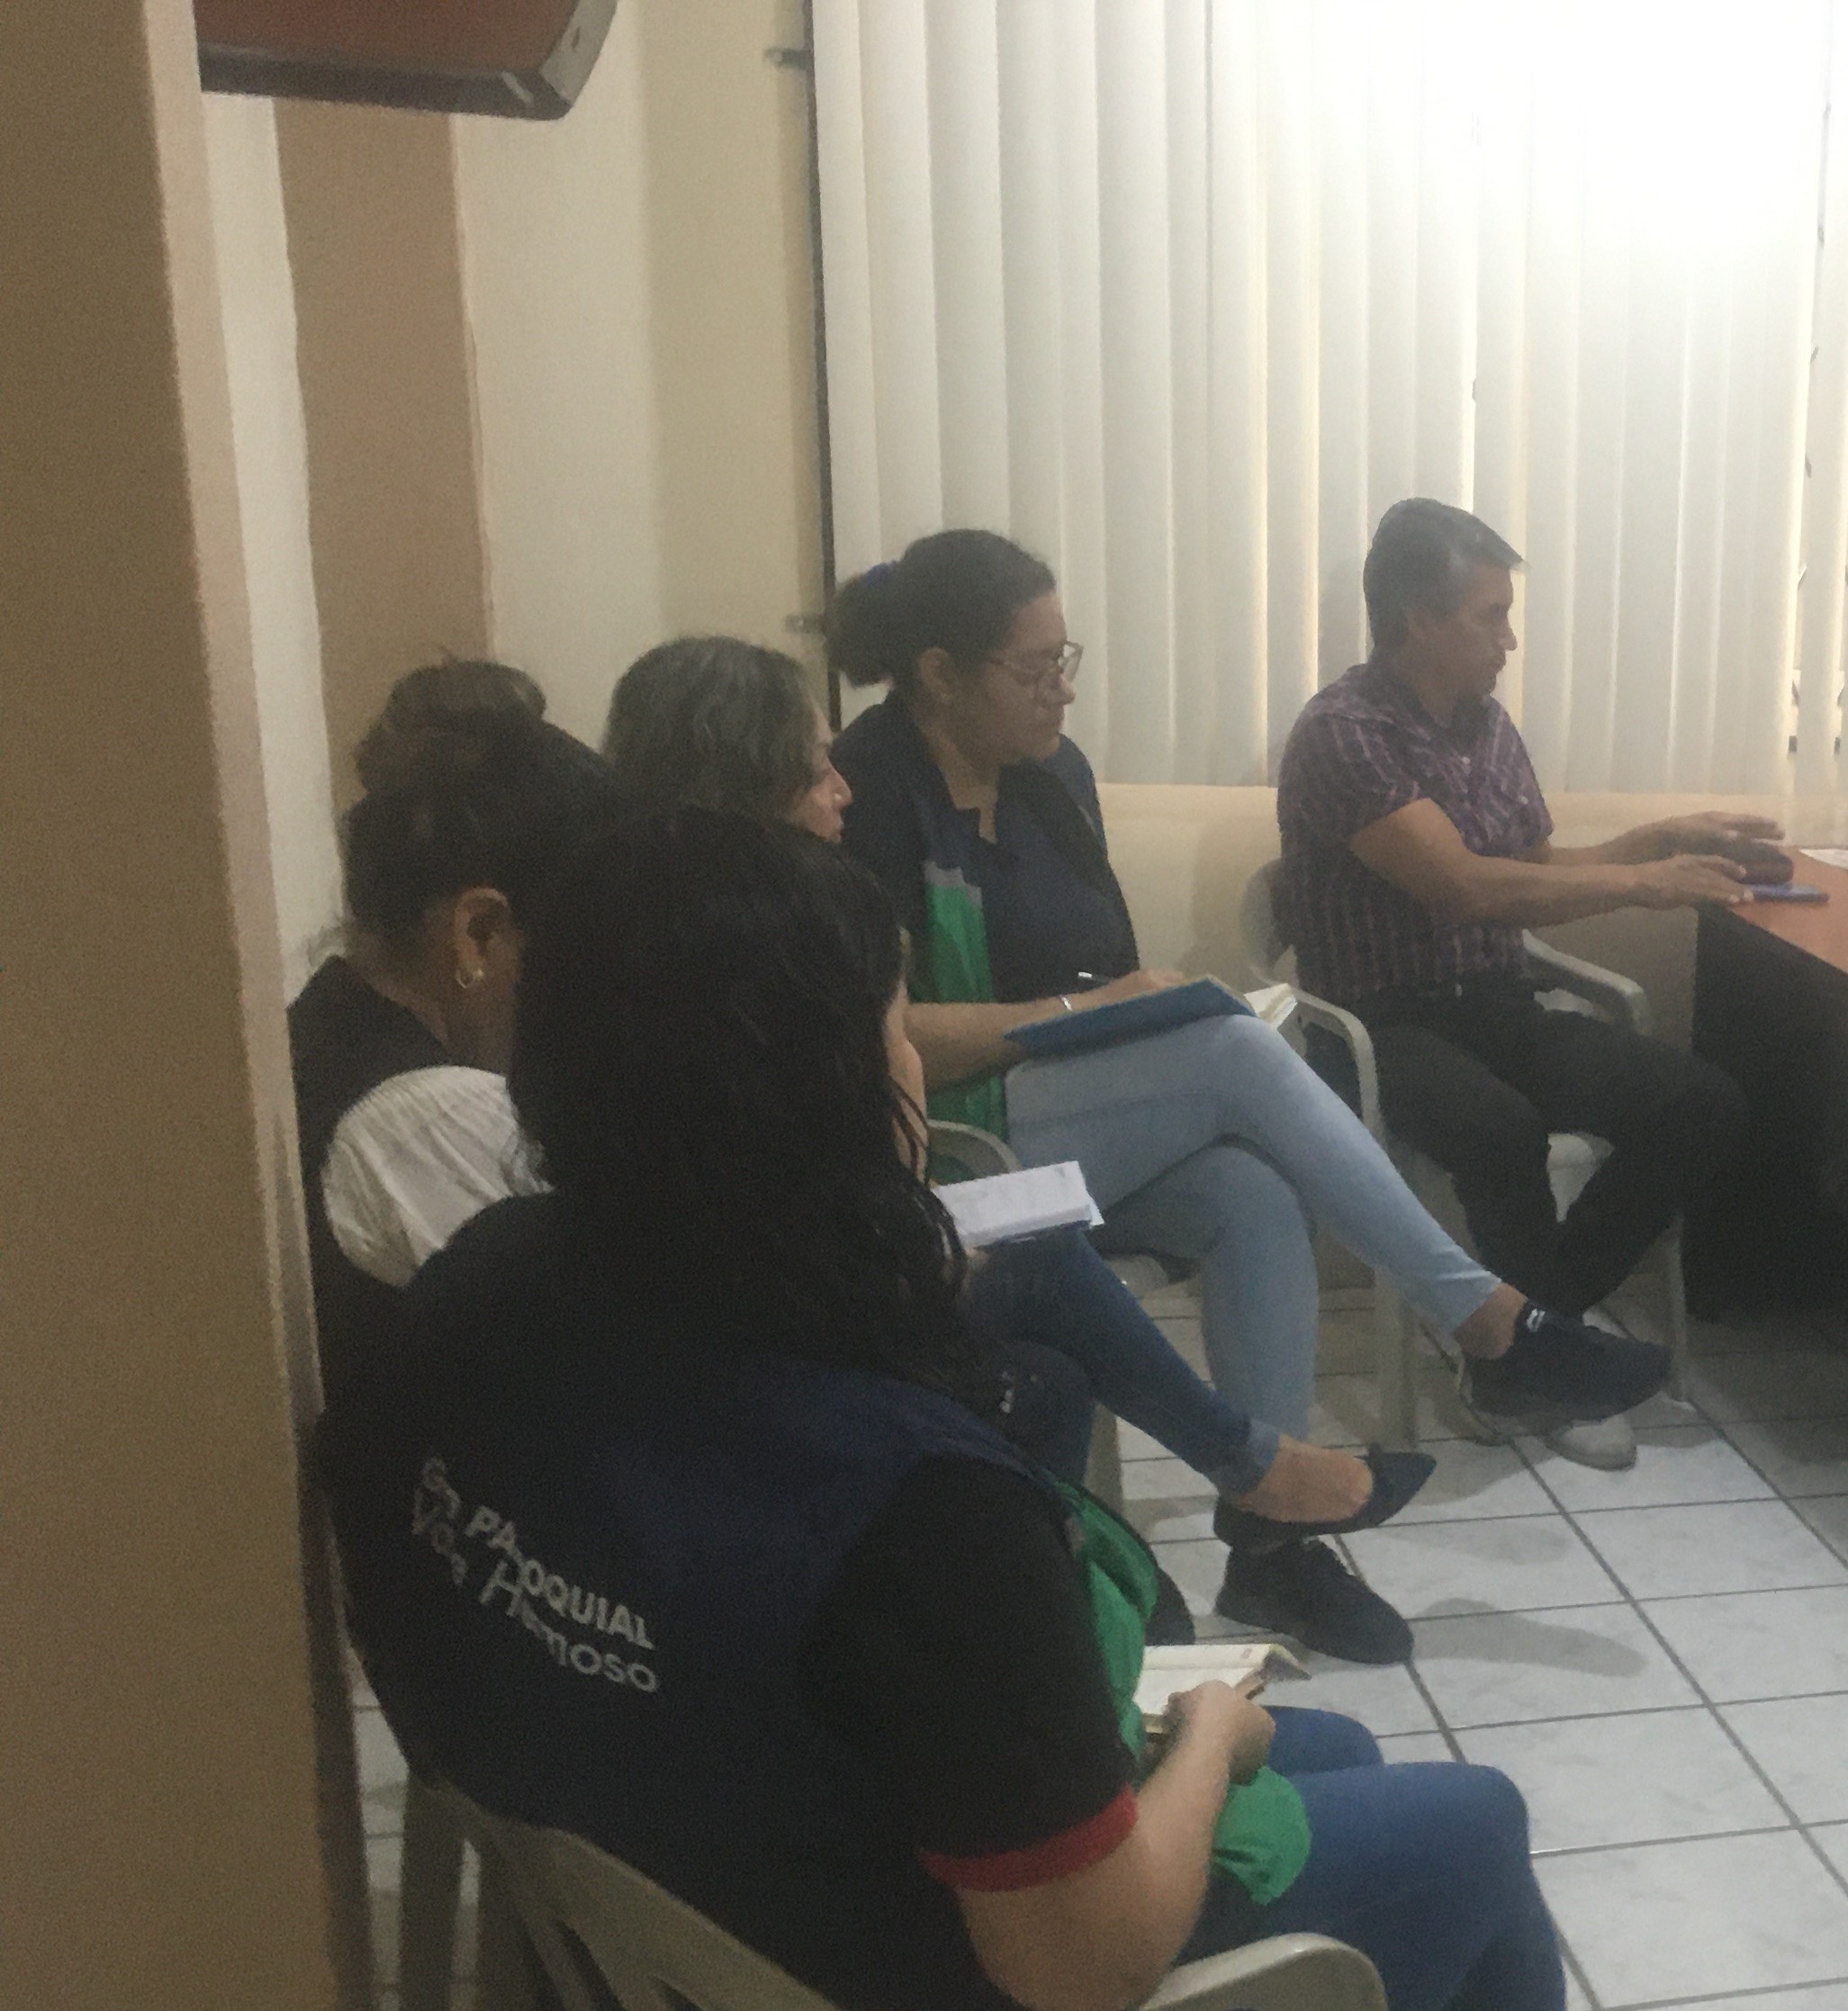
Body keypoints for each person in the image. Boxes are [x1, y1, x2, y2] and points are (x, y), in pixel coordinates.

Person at [317, 809, 1683, 2011]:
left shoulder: (479, 1289)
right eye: (894, 1031)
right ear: (821, 1091)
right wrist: (1206, 1740)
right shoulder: (905, 1498)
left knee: (1344, 1752)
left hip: (684, 2001)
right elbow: (1086, 1964)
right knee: (1469, 1823)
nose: (912, 1066)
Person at [827, 529, 1668, 1651]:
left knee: (1255, 1196)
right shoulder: (865, 796)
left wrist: (1124, 1010)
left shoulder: (1053, 781)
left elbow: (1103, 971)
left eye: (1065, 660)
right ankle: (1489, 1323)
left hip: (1069, 1124)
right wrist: (1088, 1012)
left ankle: (1277, 1557)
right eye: (1033, 670)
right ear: (939, 675)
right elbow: (876, 1040)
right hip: (946, 1141)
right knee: (1230, 1052)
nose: (1062, 691)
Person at [604, 634, 1427, 1583]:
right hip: (771, 1282)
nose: (842, 790)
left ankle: (1157, 1566)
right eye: (816, 766)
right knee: (1094, 1203)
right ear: (746, 781)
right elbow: (881, 1151)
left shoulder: (621, 920)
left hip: (774, 1251)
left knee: (1102, 1332)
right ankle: (1275, 1462)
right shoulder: (799, 926)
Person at [1276, 497, 1770, 1473]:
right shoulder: (1346, 732)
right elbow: (1462, 888)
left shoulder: (1486, 725)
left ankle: (1531, 1333)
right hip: (1377, 1026)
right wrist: (1642, 886)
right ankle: (1532, 1355)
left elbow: (1534, 867)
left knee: (1702, 1103)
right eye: (1491, 616)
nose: (1509, 639)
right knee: (1500, 1128)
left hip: (1493, 1003)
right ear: (1420, 620)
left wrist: (1654, 841)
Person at [285, 663, 627, 1402]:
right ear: (479, 934)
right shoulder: (433, 1120)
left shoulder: (322, 1032)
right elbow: (615, 1384)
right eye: (591, 954)